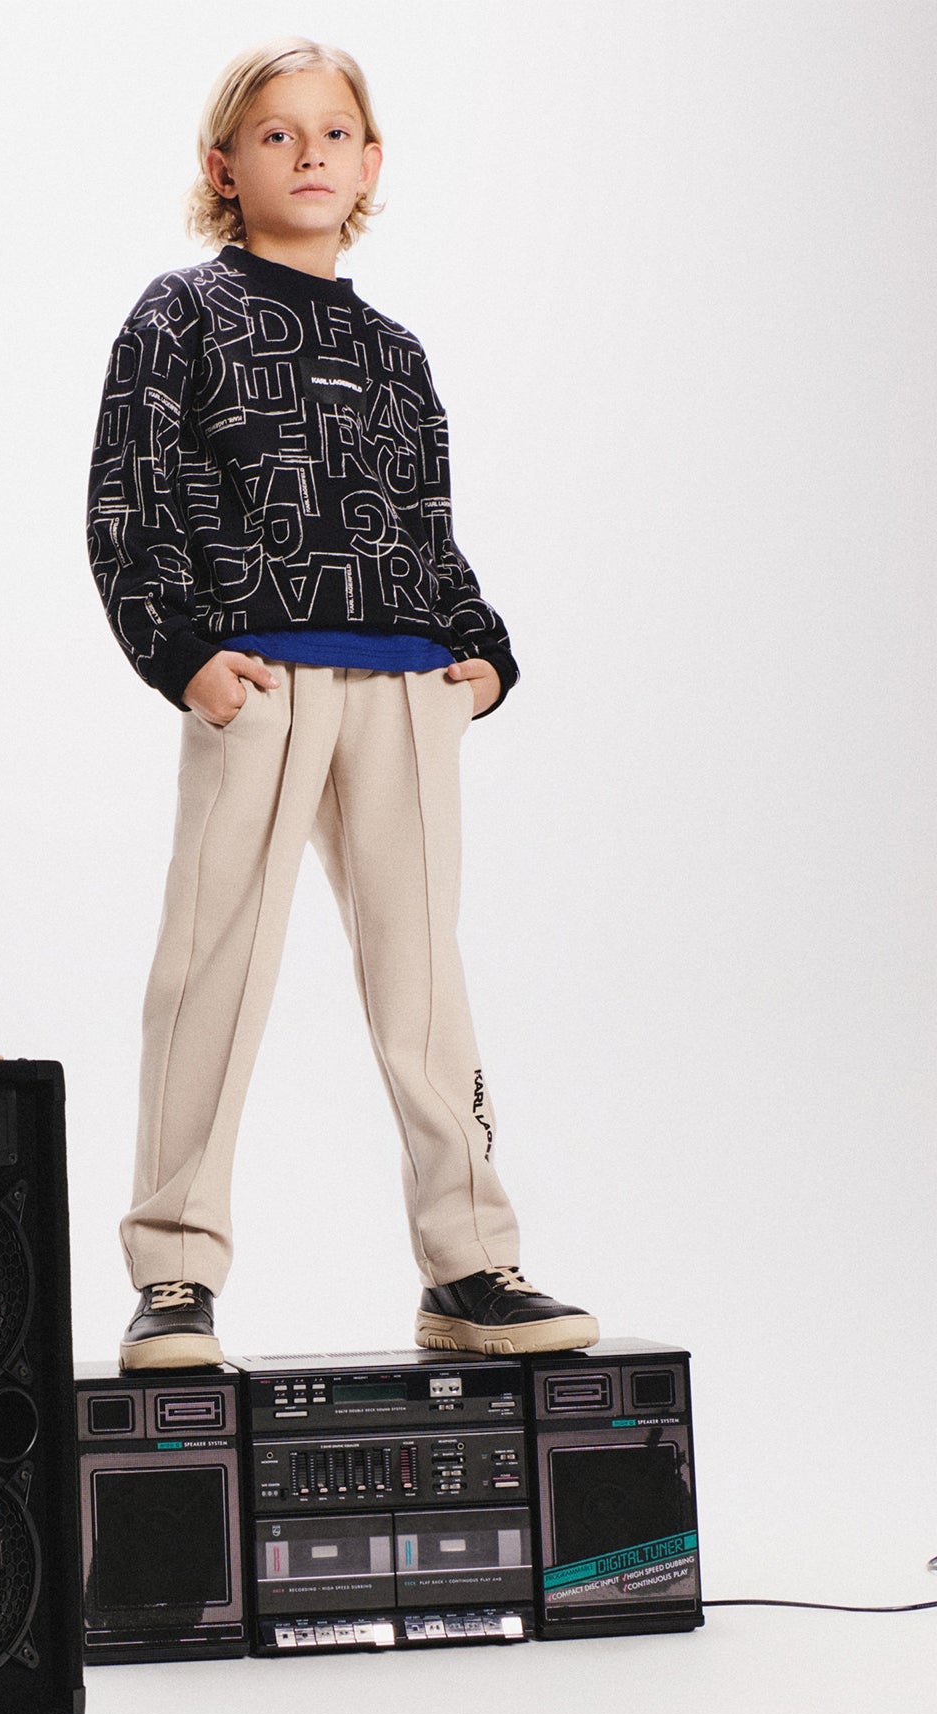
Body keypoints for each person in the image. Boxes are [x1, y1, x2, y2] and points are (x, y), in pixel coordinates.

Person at [88, 39, 598, 1371]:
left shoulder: (395, 354)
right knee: (212, 968)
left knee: (423, 982)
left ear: (370, 164)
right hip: (255, 681)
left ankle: (471, 1263)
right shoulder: (180, 316)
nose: (307, 153)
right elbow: (128, 500)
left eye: (332, 133)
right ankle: (175, 1271)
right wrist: (180, 655)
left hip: (404, 687)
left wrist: (481, 649)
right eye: (276, 133)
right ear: (224, 165)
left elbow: (423, 526)